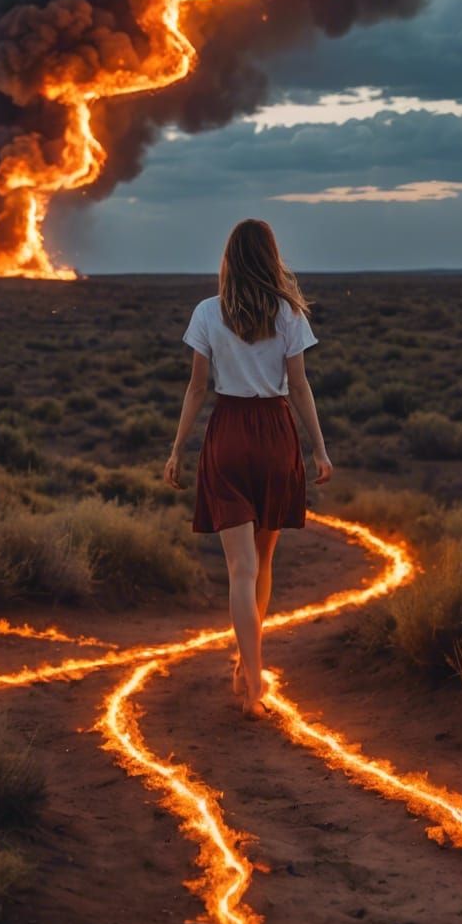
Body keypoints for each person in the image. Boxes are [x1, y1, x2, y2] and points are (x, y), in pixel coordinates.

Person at [163, 219, 332, 718]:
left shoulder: (207, 313)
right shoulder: (289, 315)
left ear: (230, 260)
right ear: (270, 258)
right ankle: (248, 667)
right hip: (275, 438)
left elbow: (197, 388)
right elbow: (299, 387)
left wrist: (177, 448)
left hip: (229, 434)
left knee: (240, 569)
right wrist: (319, 449)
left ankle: (252, 677)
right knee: (262, 564)